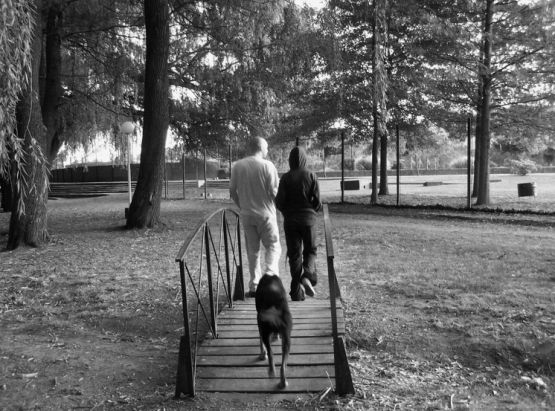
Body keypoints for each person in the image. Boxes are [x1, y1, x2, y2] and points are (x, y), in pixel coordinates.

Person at [230, 137, 281, 297]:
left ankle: (254, 286)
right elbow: (274, 192)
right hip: (266, 214)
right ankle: (270, 278)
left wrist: (242, 207)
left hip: (247, 215)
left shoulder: (238, 166)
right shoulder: (268, 166)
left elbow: (232, 192)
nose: (267, 151)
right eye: (266, 148)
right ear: (260, 148)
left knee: (252, 251)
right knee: (273, 246)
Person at [276, 146, 322, 301]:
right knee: (310, 250)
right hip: (309, 220)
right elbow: (318, 202)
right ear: (304, 159)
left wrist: (287, 212)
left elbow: (279, 202)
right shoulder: (311, 175)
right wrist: (312, 211)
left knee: (294, 255)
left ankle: (296, 292)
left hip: (291, 221)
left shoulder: (285, 178)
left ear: (290, 160)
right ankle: (307, 275)